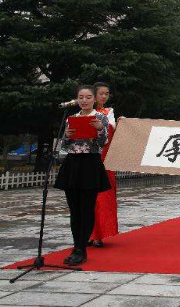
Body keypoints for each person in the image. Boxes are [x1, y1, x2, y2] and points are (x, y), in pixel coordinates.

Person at [54, 85, 110, 265]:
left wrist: (100, 129)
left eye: (88, 97)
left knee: (86, 207)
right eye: (81, 97)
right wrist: (67, 136)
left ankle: (81, 248)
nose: (84, 100)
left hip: (90, 164)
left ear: (94, 99)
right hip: (73, 163)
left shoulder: (100, 116)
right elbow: (65, 146)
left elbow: (103, 142)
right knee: (74, 208)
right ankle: (76, 244)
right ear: (77, 99)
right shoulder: (71, 118)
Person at [89, 82, 118, 248]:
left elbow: (111, 132)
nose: (104, 96)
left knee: (102, 198)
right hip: (87, 158)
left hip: (104, 160)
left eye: (107, 93)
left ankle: (98, 235)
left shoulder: (109, 113)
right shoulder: (81, 114)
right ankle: (86, 233)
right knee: (86, 199)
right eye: (101, 93)